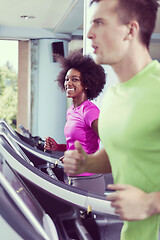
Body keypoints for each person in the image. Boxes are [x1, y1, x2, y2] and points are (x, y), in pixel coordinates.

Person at [63, 0, 160, 240]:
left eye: (99, 23)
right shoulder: (116, 96)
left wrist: (151, 202)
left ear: (130, 30)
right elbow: (124, 153)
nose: (89, 33)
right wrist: (88, 164)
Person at [45, 49, 106, 194]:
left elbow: (109, 141)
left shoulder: (90, 111)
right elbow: (80, 143)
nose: (68, 83)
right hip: (73, 178)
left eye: (75, 79)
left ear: (86, 84)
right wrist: (59, 147)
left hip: (89, 180)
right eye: (67, 79)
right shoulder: (71, 111)